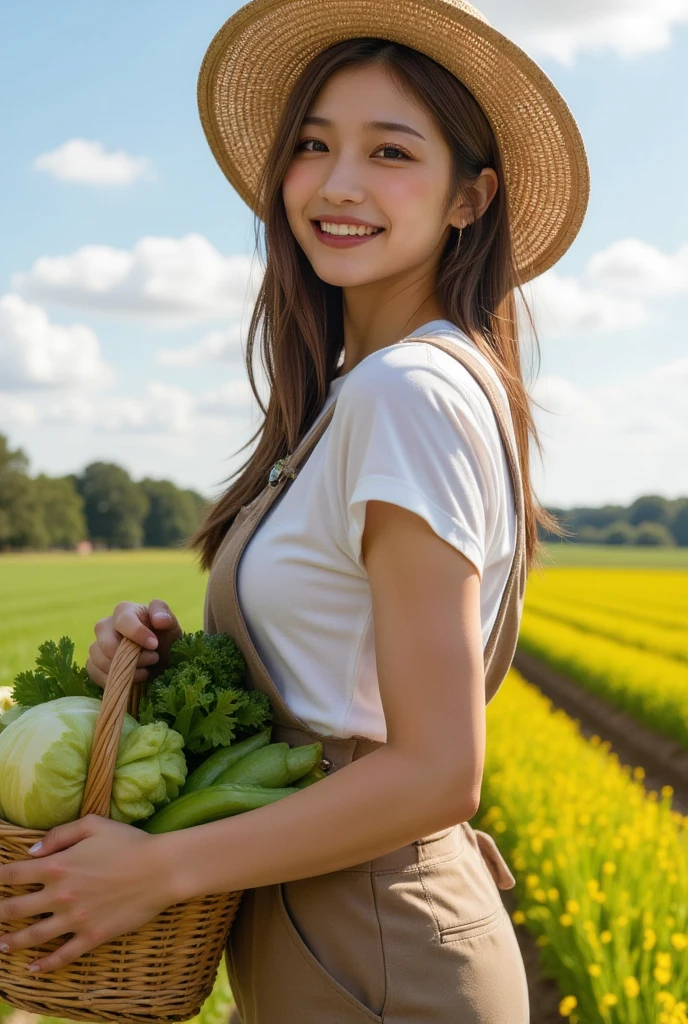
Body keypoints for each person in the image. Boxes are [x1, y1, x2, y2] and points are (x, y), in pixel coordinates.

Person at [0, 1, 589, 1019]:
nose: (338, 182)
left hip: (376, 942)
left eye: (391, 150)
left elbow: (438, 771)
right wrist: (164, 663)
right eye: (313, 144)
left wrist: (160, 868)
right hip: (339, 921)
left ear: (469, 198)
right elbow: (343, 685)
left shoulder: (405, 391)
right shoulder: (376, 391)